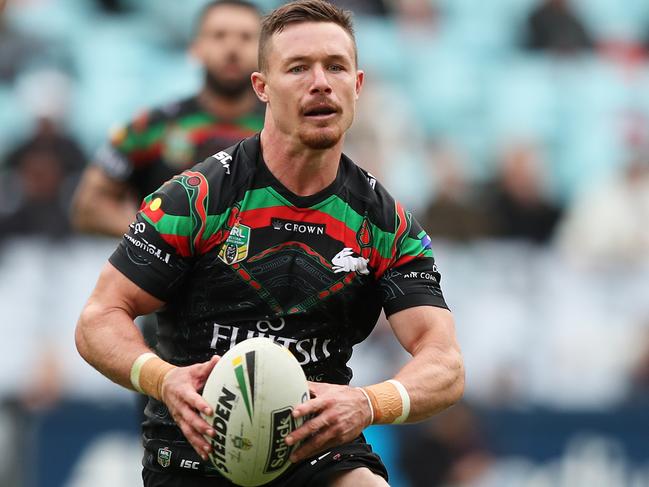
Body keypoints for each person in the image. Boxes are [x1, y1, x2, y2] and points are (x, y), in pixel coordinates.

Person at [75, 1, 464, 486]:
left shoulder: (387, 225)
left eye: (336, 67)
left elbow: (444, 361)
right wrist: (162, 378)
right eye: (298, 68)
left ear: (357, 86)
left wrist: (367, 403)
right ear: (262, 87)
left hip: (318, 447)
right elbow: (97, 319)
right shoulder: (195, 198)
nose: (320, 81)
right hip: (196, 449)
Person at [71, 0, 264, 237]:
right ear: (195, 48)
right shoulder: (152, 126)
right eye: (219, 35)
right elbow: (88, 206)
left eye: (246, 37)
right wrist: (158, 240)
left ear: (266, 52)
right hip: (169, 273)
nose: (232, 48)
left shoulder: (284, 129)